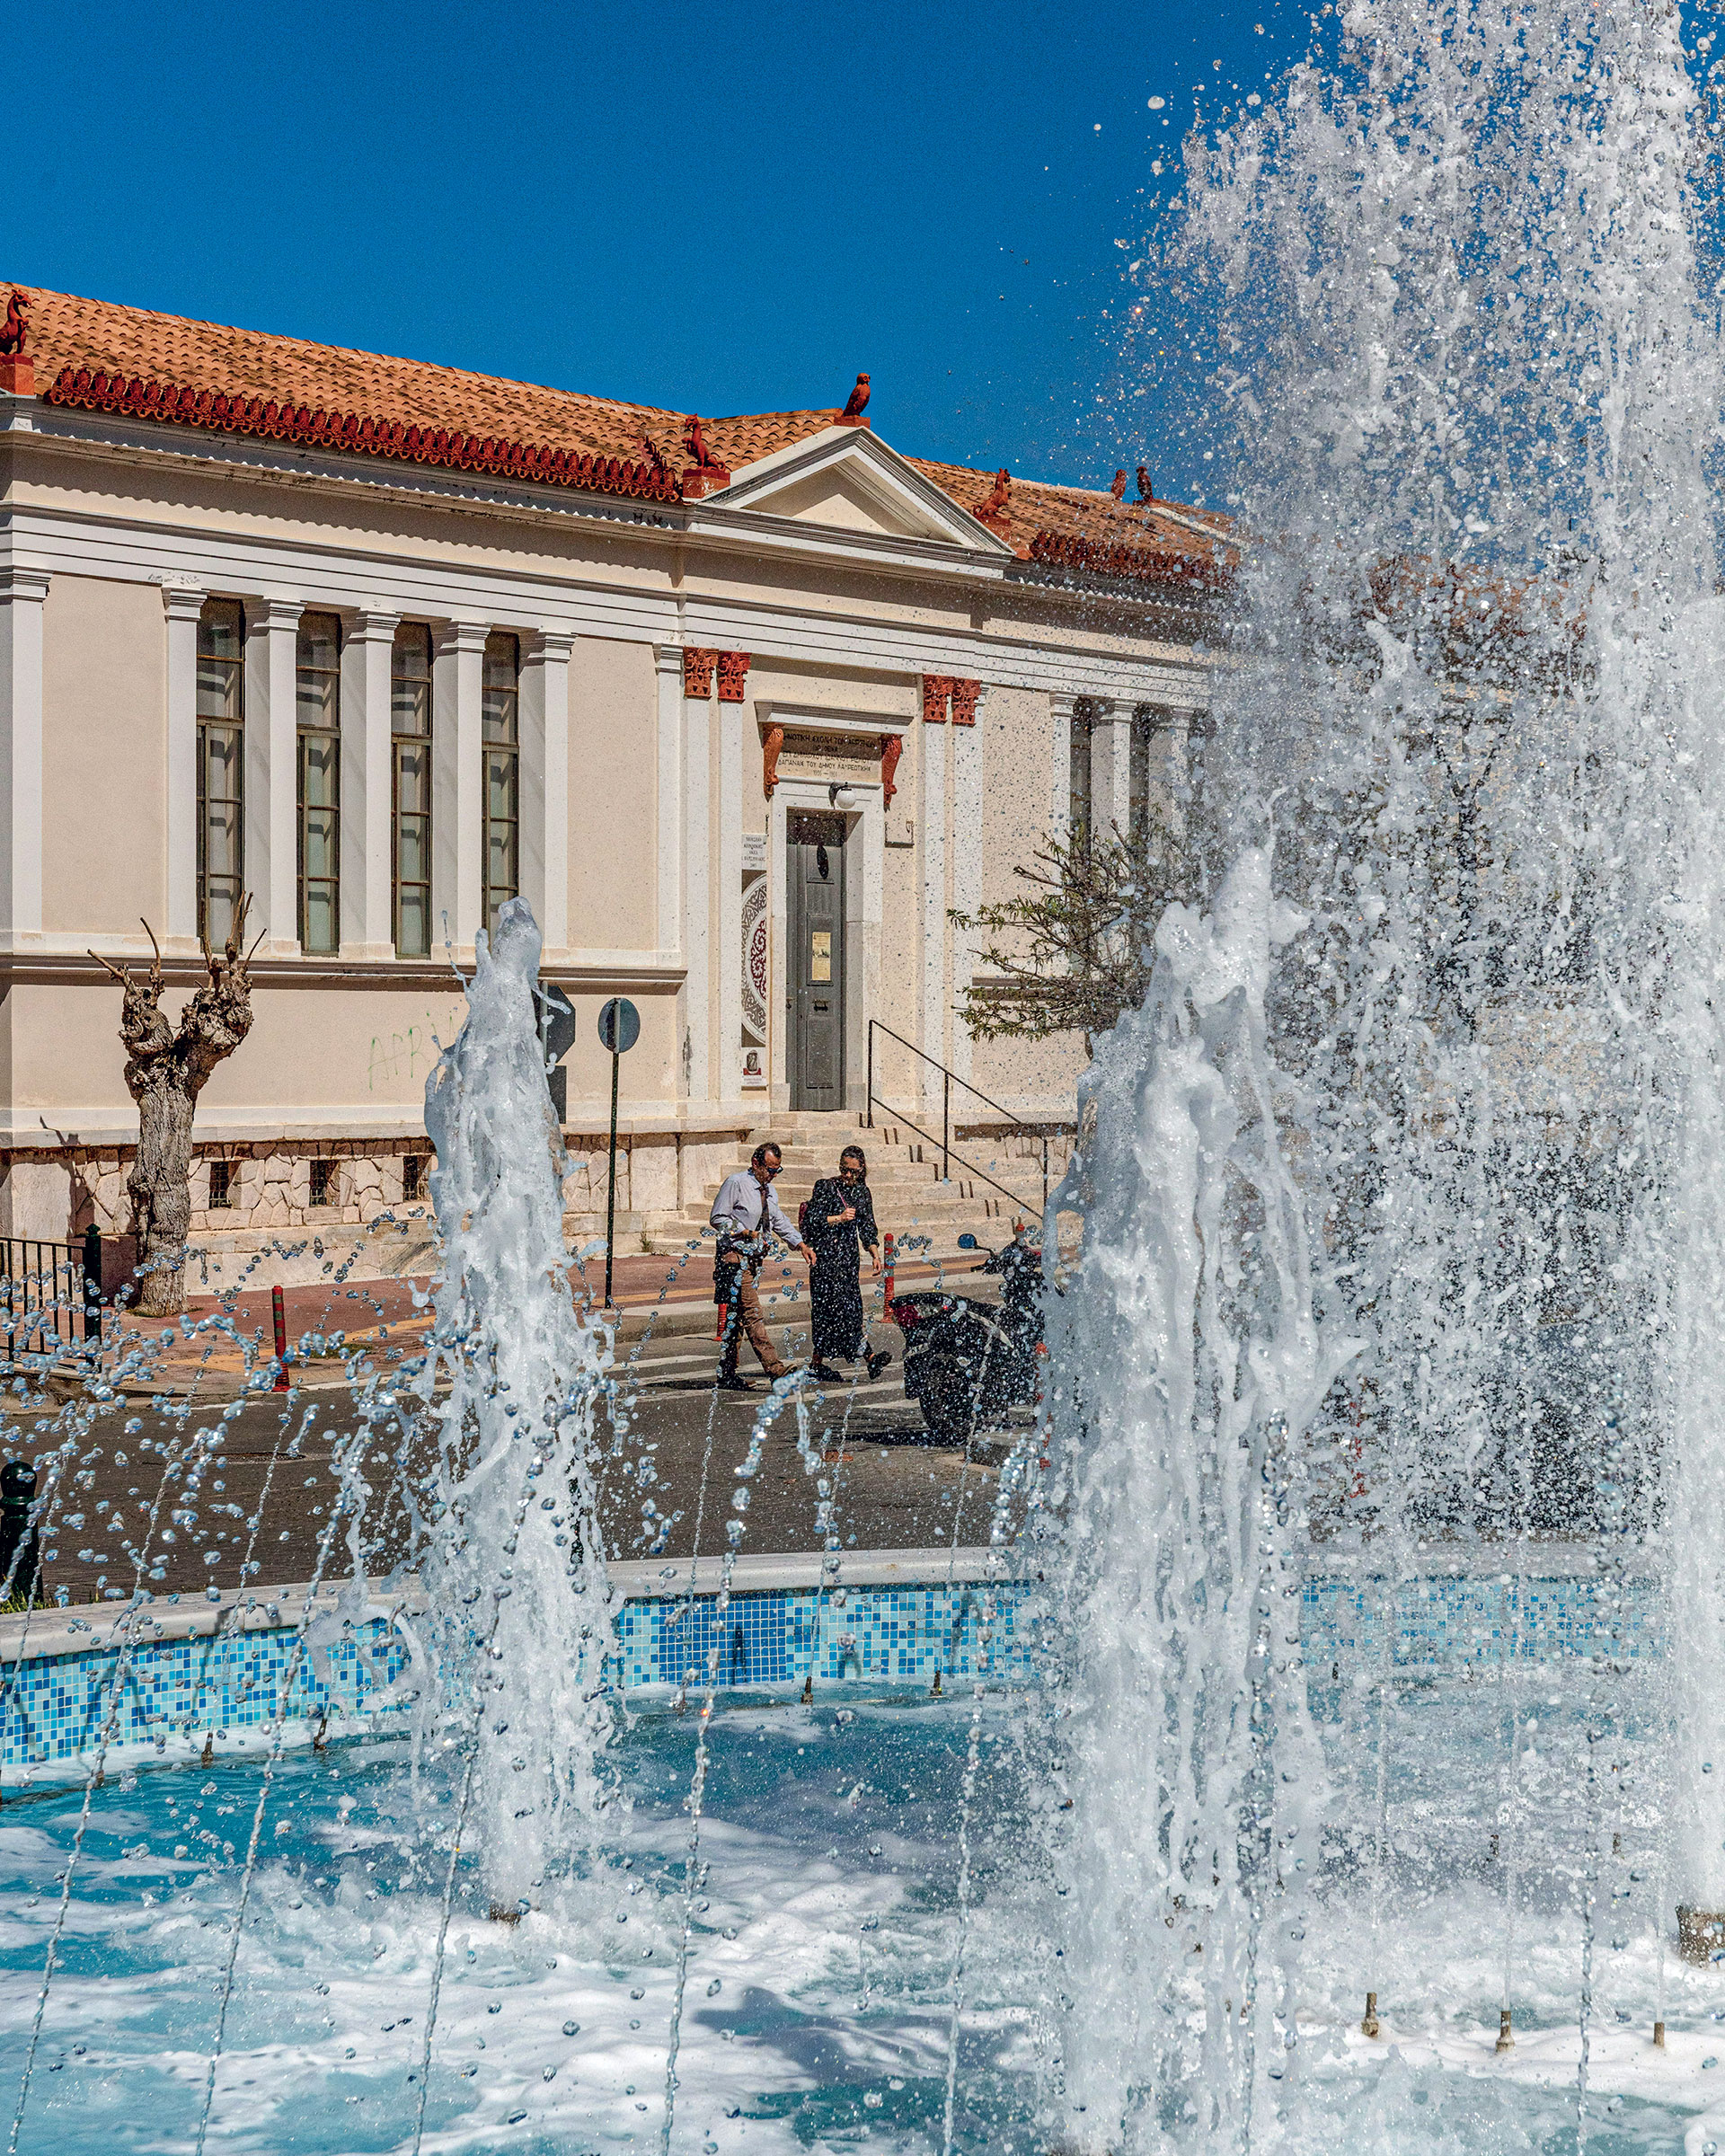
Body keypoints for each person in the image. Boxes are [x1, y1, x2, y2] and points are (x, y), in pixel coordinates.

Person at [710, 1141, 812, 1391]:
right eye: (769, 1169)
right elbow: (717, 1218)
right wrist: (743, 1231)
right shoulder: (736, 1183)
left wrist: (800, 1245)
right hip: (733, 1259)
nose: (773, 1175)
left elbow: (778, 1220)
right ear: (756, 1163)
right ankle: (775, 1369)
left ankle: (726, 1373)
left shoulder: (769, 1190)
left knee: (737, 1319)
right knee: (753, 1314)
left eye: (777, 1170)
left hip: (753, 1261)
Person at [804, 1144, 893, 1385]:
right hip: (825, 1259)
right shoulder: (826, 1187)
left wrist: (875, 1254)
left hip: (847, 1260)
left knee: (850, 1310)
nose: (847, 1175)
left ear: (861, 1169)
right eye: (844, 1169)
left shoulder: (862, 1192)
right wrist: (839, 1218)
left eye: (852, 1171)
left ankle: (820, 1362)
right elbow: (812, 1220)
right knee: (828, 1310)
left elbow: (866, 1226)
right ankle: (867, 1357)